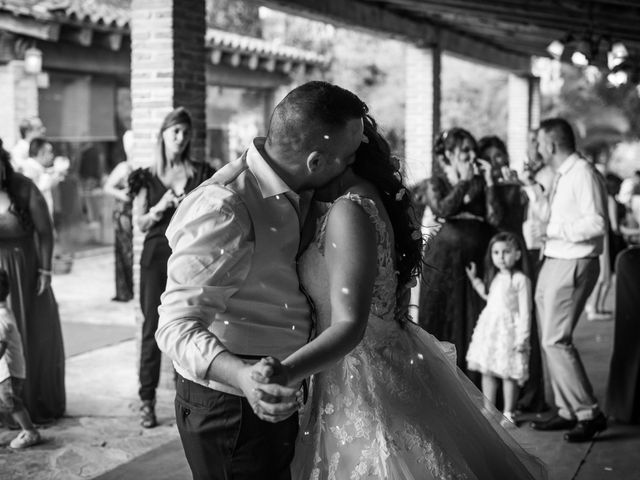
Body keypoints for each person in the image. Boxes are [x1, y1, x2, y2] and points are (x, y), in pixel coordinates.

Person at [254, 116, 545, 479]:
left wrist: (287, 372)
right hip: (377, 357)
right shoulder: (366, 200)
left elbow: (350, 323)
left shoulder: (349, 210)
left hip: (358, 372)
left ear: (337, 158)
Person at [155, 81, 366, 480]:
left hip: (273, 395)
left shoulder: (296, 190)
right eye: (347, 157)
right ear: (316, 162)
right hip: (232, 406)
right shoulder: (225, 207)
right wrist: (242, 377)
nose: (351, 166)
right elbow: (174, 325)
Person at [128, 108, 214, 429]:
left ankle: (193, 391)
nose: (180, 138)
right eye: (174, 131)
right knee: (152, 325)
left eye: (185, 132)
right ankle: (146, 400)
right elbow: (138, 223)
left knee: (195, 321)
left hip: (191, 256)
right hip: (154, 257)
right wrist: (159, 208)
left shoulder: (202, 173)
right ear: (163, 134)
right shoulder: (144, 176)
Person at [530, 118, 608, 443]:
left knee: (555, 339)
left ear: (550, 144)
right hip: (555, 258)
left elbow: (597, 223)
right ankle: (566, 410)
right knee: (548, 337)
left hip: (573, 261)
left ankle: (589, 412)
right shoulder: (562, 175)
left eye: (538, 142)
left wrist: (553, 231)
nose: (536, 148)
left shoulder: (583, 174)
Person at [416, 128, 502, 375]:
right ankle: (442, 378)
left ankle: (476, 379)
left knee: (475, 318)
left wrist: (490, 183)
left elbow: (495, 217)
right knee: (446, 315)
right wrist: (463, 181)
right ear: (449, 154)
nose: (472, 154)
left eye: (473, 149)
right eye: (465, 150)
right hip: (444, 261)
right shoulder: (436, 182)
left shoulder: (480, 181)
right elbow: (443, 208)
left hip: (477, 260)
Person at [0, 139, 65, 423]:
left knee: (31, 338)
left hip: (25, 271)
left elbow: (46, 231)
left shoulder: (23, 187)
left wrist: (46, 271)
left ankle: (31, 405)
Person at [465, 232, 532, 426]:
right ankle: (489, 407)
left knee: (507, 371)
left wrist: (523, 337)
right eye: (496, 252)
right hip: (491, 329)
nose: (500, 257)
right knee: (488, 369)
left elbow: (526, 311)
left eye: (506, 252)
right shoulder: (495, 277)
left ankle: (509, 412)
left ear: (517, 255)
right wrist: (475, 280)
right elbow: (488, 296)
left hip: (509, 331)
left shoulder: (520, 280)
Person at [0, 269, 41, 448]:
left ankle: (30, 431)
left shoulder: (2, 318)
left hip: (10, 371)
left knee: (11, 402)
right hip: (6, 370)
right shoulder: (3, 311)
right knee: (7, 401)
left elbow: (1, 346)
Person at [103, 130, 134, 302]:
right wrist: (122, 195)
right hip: (123, 212)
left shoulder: (142, 165)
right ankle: (126, 289)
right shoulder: (123, 167)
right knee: (125, 249)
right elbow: (107, 187)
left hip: (134, 212)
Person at [21, 137, 66, 218]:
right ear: (41, 153)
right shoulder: (28, 168)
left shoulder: (38, 168)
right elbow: (40, 189)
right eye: (50, 152)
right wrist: (57, 172)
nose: (52, 156)